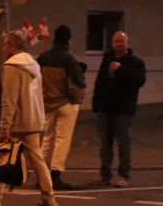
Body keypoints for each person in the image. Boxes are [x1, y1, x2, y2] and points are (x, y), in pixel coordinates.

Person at [0, 31, 59, 206]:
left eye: (5, 45)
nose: (3, 49)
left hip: (16, 123)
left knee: (2, 158)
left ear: (12, 47)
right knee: (37, 160)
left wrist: (4, 126)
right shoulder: (33, 65)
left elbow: (9, 100)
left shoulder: (11, 67)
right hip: (33, 121)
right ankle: (49, 197)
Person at [92, 31, 146, 187]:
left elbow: (139, 81)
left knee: (123, 143)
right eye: (116, 41)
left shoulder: (135, 63)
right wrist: (96, 104)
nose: (118, 44)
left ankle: (123, 175)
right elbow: (100, 82)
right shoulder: (107, 60)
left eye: (121, 41)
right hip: (105, 108)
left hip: (123, 109)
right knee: (104, 144)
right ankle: (105, 175)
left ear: (127, 43)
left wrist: (121, 69)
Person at [39, 25, 86, 191]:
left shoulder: (43, 57)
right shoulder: (68, 59)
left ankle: (41, 174)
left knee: (47, 138)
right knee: (62, 139)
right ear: (68, 39)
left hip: (47, 103)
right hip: (65, 103)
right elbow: (78, 83)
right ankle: (55, 174)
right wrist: (77, 99)